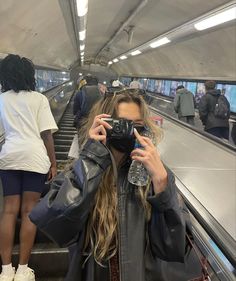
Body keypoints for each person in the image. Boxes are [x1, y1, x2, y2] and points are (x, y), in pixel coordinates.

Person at [33, 89, 186, 281]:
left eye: (137, 126)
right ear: (104, 124)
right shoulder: (83, 170)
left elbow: (172, 247)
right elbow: (55, 224)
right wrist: (92, 158)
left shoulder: (154, 176)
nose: (130, 132)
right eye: (122, 124)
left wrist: (162, 186)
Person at [0, 54, 58, 281]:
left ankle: (6, 270)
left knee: (9, 210)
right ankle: (23, 269)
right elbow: (46, 135)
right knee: (28, 212)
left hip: (9, 157)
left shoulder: (1, 99)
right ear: (29, 75)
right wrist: (53, 162)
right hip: (35, 158)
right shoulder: (38, 99)